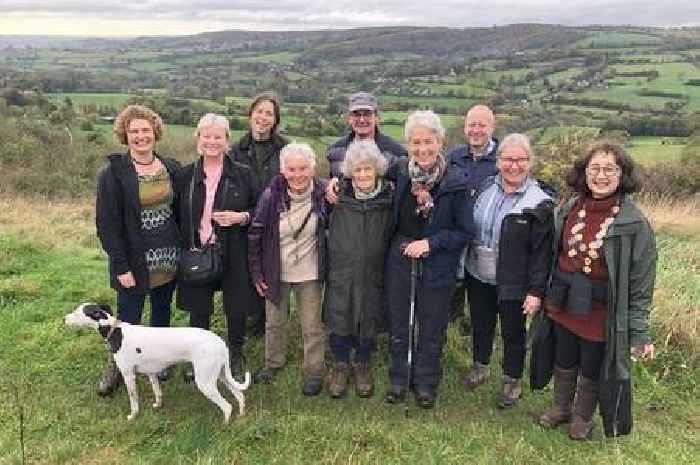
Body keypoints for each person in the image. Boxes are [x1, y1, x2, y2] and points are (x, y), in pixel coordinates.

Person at [535, 141, 656, 440]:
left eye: (609, 169)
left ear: (622, 175)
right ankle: (561, 407)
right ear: (584, 173)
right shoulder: (569, 208)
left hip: (601, 312)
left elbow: (641, 285)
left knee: (591, 365)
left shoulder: (633, 223)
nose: (601, 176)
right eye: (594, 169)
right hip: (563, 304)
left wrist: (639, 333)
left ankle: (582, 416)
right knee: (563, 357)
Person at [384, 111, 471, 409]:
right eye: (416, 142)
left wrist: (430, 244)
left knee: (431, 326)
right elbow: (362, 172)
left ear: (440, 141)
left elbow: (464, 231)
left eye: (428, 141)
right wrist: (334, 184)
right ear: (408, 144)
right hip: (400, 259)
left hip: (438, 264)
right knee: (399, 322)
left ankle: (425, 382)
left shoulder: (456, 180)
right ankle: (399, 377)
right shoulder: (400, 171)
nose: (422, 149)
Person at [461, 134, 554, 409]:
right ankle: (480, 368)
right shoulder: (484, 188)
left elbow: (542, 253)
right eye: (508, 159)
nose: (514, 165)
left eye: (520, 160)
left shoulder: (540, 203)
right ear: (498, 161)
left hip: (515, 281)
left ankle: (512, 381)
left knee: (513, 333)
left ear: (530, 162)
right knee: (481, 324)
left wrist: (536, 291)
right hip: (478, 273)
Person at [95, 104, 180, 396]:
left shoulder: (170, 167)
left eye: (146, 130)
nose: (141, 136)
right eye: (134, 131)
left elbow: (180, 210)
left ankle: (159, 361)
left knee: (161, 312)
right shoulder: (113, 174)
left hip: (168, 256)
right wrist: (121, 266)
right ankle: (117, 365)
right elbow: (107, 225)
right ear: (125, 135)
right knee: (127, 320)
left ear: (155, 133)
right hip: (133, 260)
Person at [174, 113, 259, 381]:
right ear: (198, 139)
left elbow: (259, 210)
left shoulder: (243, 174)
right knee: (199, 308)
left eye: (217, 137)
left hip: (234, 249)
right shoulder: (185, 175)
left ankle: (235, 352)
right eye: (206, 136)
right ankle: (199, 355)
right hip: (198, 250)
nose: (212, 141)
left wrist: (240, 217)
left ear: (226, 141)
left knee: (236, 305)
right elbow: (175, 214)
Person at [248, 143, 329, 396]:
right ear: (283, 171)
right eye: (291, 169)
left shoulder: (324, 192)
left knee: (312, 326)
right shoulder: (272, 195)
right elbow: (256, 234)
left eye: (303, 168)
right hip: (276, 271)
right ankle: (273, 363)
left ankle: (314, 371)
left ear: (313, 168)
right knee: (274, 322)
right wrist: (257, 273)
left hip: (310, 272)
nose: (298, 175)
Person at [324, 140, 394, 399]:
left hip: (374, 271)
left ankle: (362, 364)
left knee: (369, 316)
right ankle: (341, 365)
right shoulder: (337, 196)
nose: (363, 175)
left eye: (368, 170)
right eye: (358, 170)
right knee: (339, 315)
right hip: (341, 269)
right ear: (349, 172)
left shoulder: (389, 198)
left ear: (377, 170)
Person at [230, 92, 289, 336]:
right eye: (259, 112)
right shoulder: (236, 149)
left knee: (272, 268)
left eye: (269, 114)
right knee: (246, 268)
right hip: (244, 218)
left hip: (276, 217)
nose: (263, 118)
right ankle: (247, 318)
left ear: (275, 121)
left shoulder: (285, 148)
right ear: (251, 114)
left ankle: (269, 319)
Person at [446, 104, 500, 325]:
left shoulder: (502, 159)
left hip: (487, 240)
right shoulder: (453, 157)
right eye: (471, 125)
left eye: (481, 125)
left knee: (483, 296)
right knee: (455, 284)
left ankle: (483, 341)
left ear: (492, 127)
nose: (476, 130)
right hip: (457, 235)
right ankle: (454, 329)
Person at [326, 91, 407, 179]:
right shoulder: (334, 151)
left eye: (367, 114)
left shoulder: (396, 152)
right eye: (356, 114)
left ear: (376, 118)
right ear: (349, 118)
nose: (361, 120)